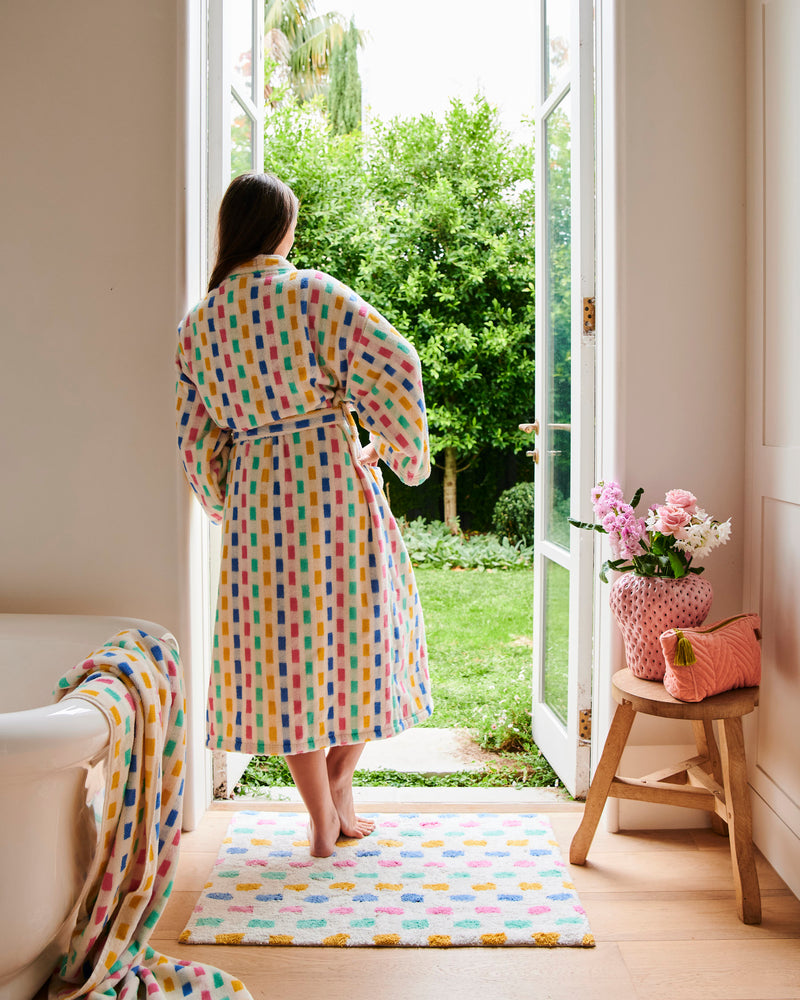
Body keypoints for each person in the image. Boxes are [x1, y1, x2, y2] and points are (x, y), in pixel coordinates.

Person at [175, 172, 433, 857]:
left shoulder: (199, 324)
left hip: (261, 501)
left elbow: (194, 438)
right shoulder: (312, 293)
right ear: (281, 229)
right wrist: (396, 447)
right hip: (332, 483)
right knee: (369, 637)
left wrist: (228, 496)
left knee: (281, 658)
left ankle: (327, 812)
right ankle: (338, 797)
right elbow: (396, 361)